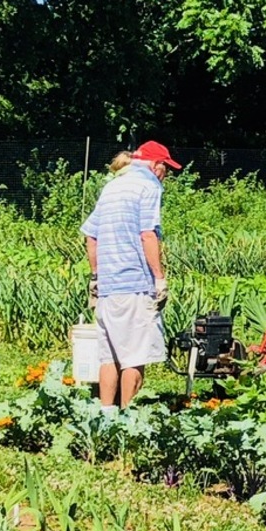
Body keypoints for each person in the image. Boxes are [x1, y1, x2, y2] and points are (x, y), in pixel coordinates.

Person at [80, 140, 179, 409]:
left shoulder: (112, 186)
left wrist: (96, 275)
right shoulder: (149, 186)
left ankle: (106, 417)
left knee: (109, 356)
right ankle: (127, 421)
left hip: (108, 287)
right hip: (135, 283)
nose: (165, 175)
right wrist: (159, 277)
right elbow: (147, 233)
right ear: (156, 165)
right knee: (135, 357)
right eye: (165, 169)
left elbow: (91, 235)